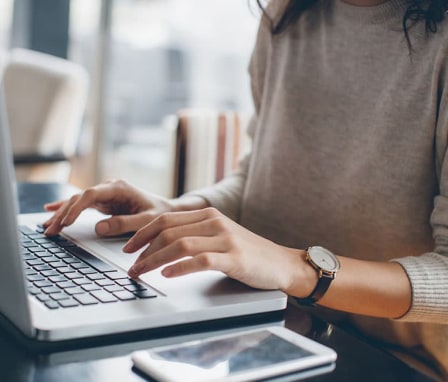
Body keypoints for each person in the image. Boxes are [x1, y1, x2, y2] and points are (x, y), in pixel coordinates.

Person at [43, 0, 448, 380]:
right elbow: (257, 175)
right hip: (266, 326)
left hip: (392, 364)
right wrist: (180, 212)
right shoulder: (286, 13)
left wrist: (295, 267)